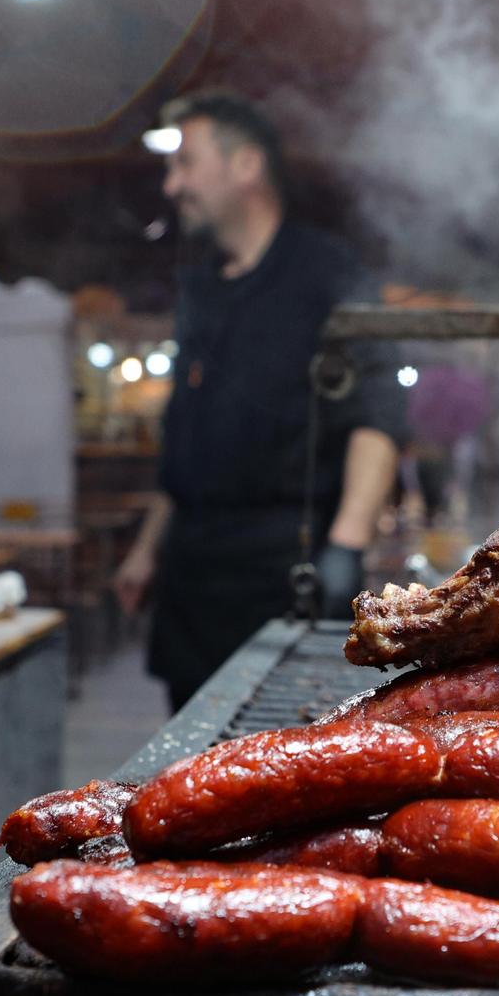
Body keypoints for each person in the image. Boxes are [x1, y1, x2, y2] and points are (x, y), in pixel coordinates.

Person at [114, 90, 406, 711]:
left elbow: (378, 415)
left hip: (282, 567)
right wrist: (145, 549)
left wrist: (346, 548)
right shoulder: (199, 287)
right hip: (191, 571)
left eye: (186, 163)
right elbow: (183, 437)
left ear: (245, 165)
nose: (172, 185)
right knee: (185, 752)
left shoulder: (326, 271)